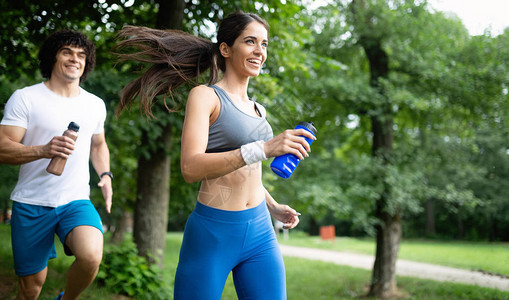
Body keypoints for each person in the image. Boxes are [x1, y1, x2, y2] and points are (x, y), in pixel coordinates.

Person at [115, 11, 314, 299]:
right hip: (214, 232)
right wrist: (265, 148)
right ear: (225, 49)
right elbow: (190, 167)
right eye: (250, 42)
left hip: (260, 230)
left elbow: (247, 171)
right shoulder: (206, 96)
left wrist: (271, 205)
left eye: (265, 44)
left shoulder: (259, 110)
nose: (260, 51)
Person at [0, 29, 113, 300]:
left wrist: (106, 174)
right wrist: (43, 149)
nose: (75, 59)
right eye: (67, 52)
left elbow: (98, 145)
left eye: (81, 55)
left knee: (91, 256)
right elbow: (3, 147)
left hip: (75, 200)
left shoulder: (94, 104)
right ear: (53, 57)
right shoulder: (26, 98)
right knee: (31, 289)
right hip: (31, 202)